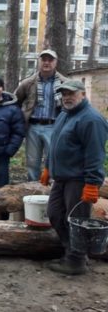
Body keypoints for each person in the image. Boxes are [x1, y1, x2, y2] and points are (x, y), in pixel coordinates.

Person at [41, 80, 108, 275]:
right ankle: (71, 252)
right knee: (54, 214)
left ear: (82, 94)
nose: (67, 97)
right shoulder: (64, 115)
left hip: (78, 180)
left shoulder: (92, 120)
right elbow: (54, 145)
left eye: (71, 93)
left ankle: (76, 260)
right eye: (64, 94)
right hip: (61, 178)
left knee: (76, 220)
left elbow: (95, 154)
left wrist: (92, 183)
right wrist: (47, 167)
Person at [14, 49, 68, 181]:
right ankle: (32, 188)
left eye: (50, 60)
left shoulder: (65, 83)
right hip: (33, 126)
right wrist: (20, 119)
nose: (47, 62)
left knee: (53, 159)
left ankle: (52, 190)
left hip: (54, 126)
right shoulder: (28, 83)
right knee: (32, 161)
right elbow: (16, 101)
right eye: (44, 59)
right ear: (39, 61)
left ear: (55, 62)